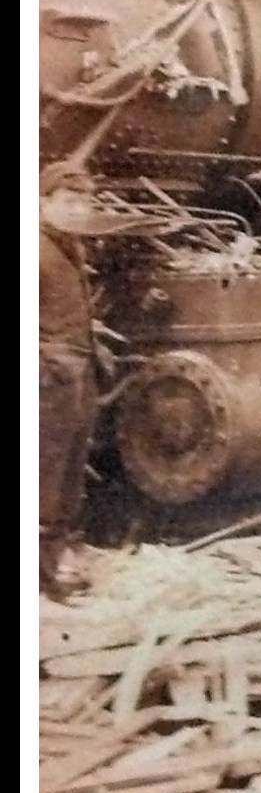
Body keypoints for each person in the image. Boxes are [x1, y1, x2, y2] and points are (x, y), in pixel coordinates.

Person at [39, 165, 104, 599]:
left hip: (76, 370)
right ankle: (41, 574)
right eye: (68, 201)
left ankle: (52, 563)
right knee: (44, 470)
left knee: (68, 472)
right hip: (49, 376)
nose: (77, 210)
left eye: (84, 202)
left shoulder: (68, 246)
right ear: (43, 203)